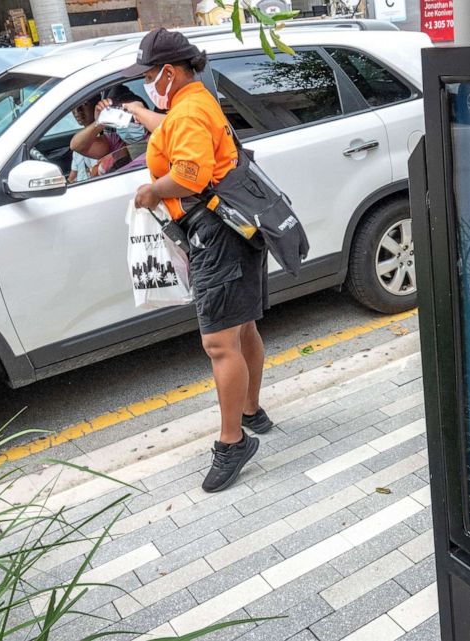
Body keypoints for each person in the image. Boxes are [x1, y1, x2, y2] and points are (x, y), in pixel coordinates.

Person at [126, 28, 273, 493]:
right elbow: (173, 131)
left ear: (168, 73)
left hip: (215, 232)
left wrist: (152, 190)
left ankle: (233, 442)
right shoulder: (193, 102)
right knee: (242, 326)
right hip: (236, 223)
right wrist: (138, 113)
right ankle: (251, 410)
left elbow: (188, 176)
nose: (147, 83)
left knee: (218, 344)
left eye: (149, 75)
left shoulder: (186, 111)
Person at [69, 98, 127, 182]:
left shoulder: (111, 139)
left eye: (84, 104)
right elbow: (72, 177)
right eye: (73, 107)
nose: (78, 111)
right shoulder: (82, 140)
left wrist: (100, 121)